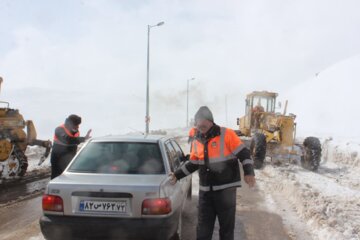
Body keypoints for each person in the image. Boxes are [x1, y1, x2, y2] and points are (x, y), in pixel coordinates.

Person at [169, 106, 256, 240]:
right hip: (206, 194)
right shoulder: (196, 140)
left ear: (211, 121)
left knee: (226, 231)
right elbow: (193, 163)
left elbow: (244, 153)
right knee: (203, 231)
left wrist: (249, 172)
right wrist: (177, 175)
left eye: (204, 121)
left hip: (226, 192)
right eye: (198, 121)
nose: (200, 124)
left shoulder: (226, 134)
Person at [50, 114, 92, 179]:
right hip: (58, 158)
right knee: (56, 178)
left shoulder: (76, 131)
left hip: (69, 158)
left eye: (78, 125)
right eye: (76, 124)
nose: (78, 127)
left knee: (68, 178)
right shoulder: (59, 129)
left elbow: (74, 143)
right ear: (70, 123)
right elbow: (67, 140)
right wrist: (83, 138)